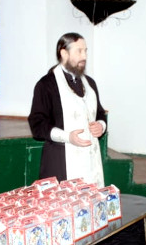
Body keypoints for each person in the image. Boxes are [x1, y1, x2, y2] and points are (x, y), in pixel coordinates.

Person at [28, 32, 107, 186]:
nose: (84, 56)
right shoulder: (46, 85)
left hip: (91, 163)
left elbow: (100, 113)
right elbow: (37, 125)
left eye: (85, 51)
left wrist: (101, 125)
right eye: (79, 51)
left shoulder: (90, 84)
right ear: (64, 53)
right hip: (60, 161)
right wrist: (67, 137)